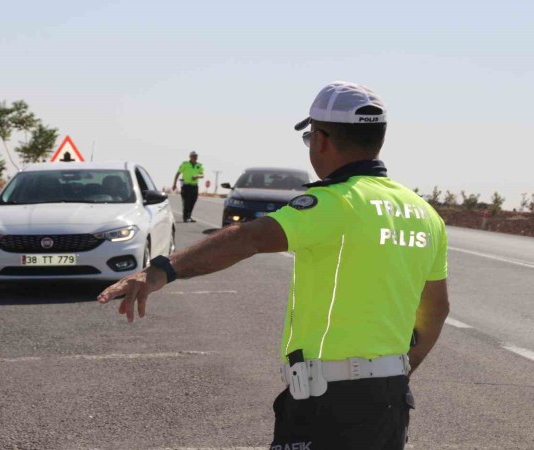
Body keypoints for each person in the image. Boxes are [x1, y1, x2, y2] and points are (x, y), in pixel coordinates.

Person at [98, 81, 449, 449]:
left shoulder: (336, 202)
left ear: (322, 140)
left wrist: (160, 271)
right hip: (389, 400)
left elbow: (248, 238)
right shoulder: (424, 213)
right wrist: (398, 372)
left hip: (329, 402)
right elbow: (437, 310)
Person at [172, 151, 204, 222]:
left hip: (194, 186)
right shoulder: (185, 164)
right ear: (190, 157)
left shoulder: (199, 165)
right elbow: (178, 173)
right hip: (186, 186)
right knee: (186, 202)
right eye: (194, 156)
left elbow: (202, 175)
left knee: (193, 201)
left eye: (196, 156)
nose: (195, 157)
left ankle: (189, 216)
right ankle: (185, 217)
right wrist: (174, 184)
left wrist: (197, 176)